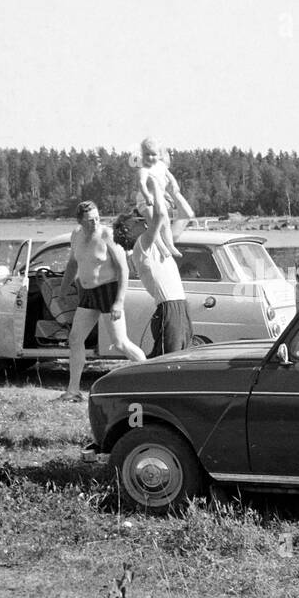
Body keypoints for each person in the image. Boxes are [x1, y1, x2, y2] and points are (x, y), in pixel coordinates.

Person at [58, 201, 146, 401]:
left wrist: (119, 302)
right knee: (75, 339)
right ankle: (73, 391)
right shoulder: (76, 235)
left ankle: (149, 378)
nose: (95, 223)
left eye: (97, 218)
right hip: (88, 293)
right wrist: (63, 291)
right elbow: (73, 264)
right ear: (80, 220)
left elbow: (124, 268)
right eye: (90, 220)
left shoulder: (107, 234)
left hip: (109, 290)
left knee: (120, 343)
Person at [115, 211, 194, 357]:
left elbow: (185, 216)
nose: (142, 222)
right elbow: (157, 219)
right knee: (167, 362)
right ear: (128, 229)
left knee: (180, 360)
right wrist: (150, 199)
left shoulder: (159, 244)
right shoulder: (142, 246)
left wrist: (173, 192)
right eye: (137, 220)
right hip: (168, 308)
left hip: (180, 306)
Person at [134, 137, 194, 259]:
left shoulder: (161, 167)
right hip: (146, 201)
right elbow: (141, 184)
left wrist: (174, 186)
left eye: (154, 155)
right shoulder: (144, 170)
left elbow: (170, 177)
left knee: (164, 223)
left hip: (158, 200)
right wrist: (147, 195)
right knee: (154, 223)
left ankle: (170, 246)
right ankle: (161, 246)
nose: (150, 158)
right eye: (147, 155)